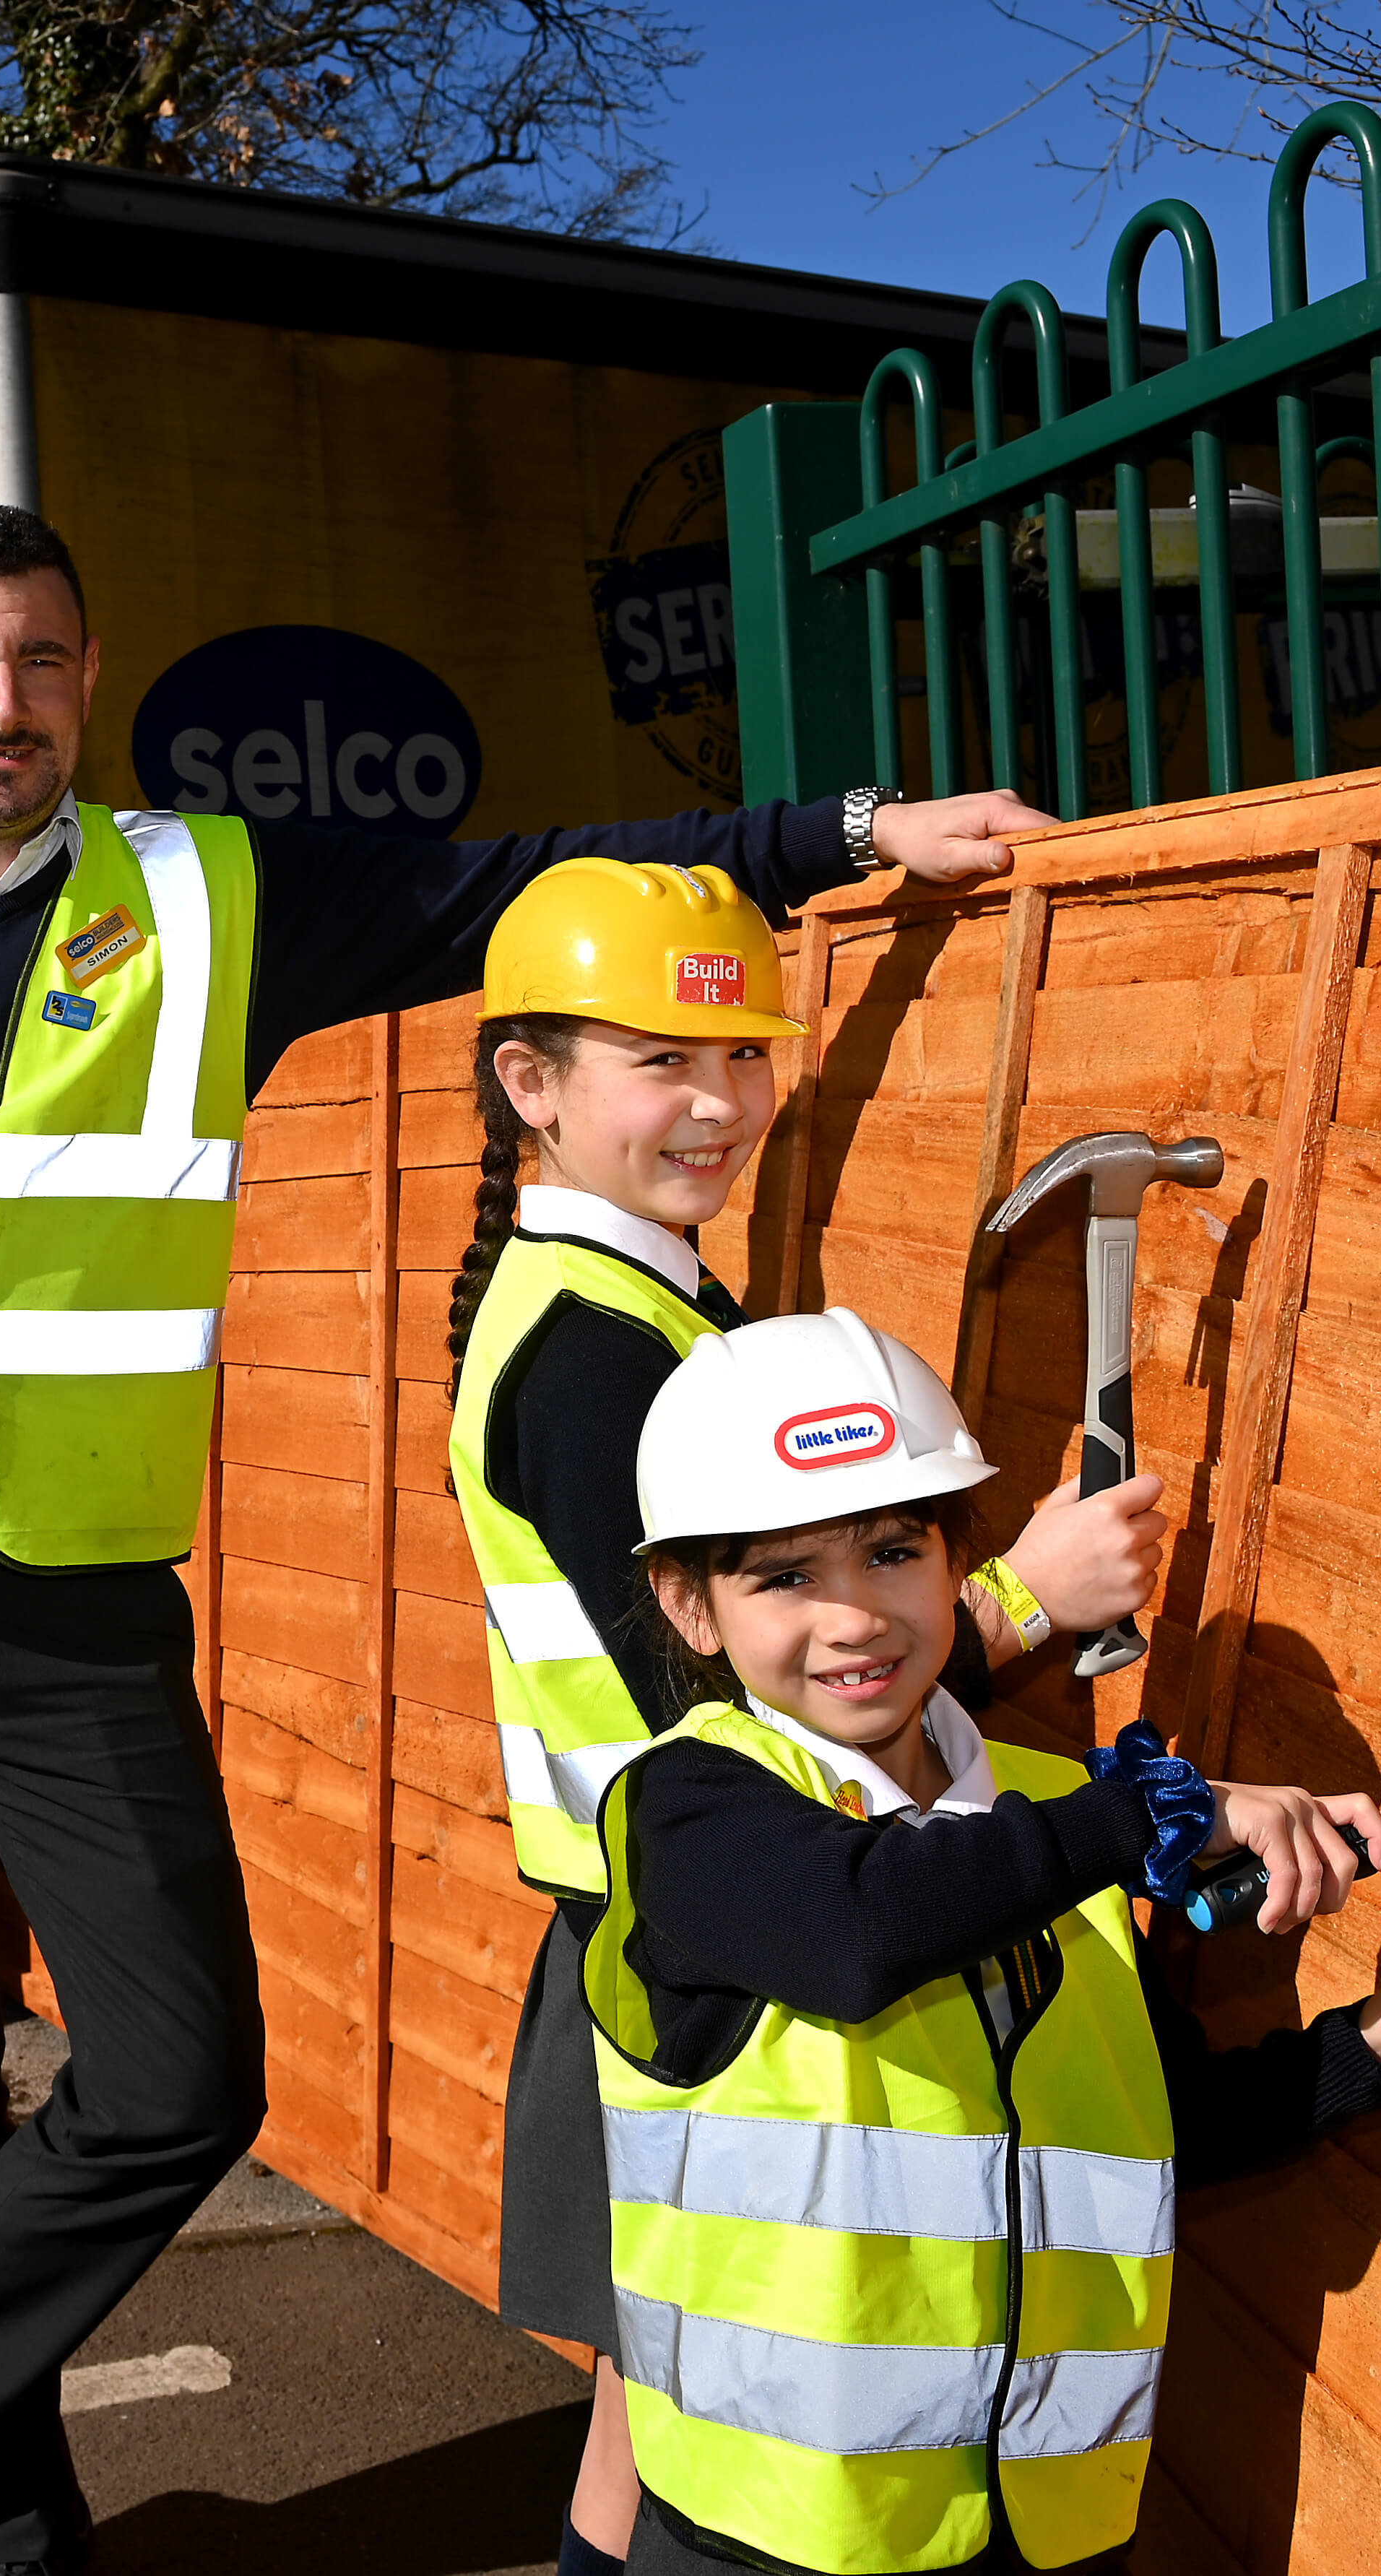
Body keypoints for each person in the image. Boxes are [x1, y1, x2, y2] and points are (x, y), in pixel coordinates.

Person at [0, 498, 1048, 2576]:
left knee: (176, 2079)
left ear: (86, 680)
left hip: (69, 1613)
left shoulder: (203, 896)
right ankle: (15, 2524)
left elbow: (527, 893)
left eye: (41, 661)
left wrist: (842, 828)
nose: (5, 702)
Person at [440, 859, 1165, 2576]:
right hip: (712, 1928)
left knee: (647, 2415)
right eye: (659, 1064)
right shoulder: (595, 1353)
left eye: (745, 1058)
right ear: (529, 1085)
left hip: (680, 1915)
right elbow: (764, 1700)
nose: (717, 1104)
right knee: (678, 2427)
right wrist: (1016, 1598)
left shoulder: (638, 1306)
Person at [585, 1309, 1381, 2576]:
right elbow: (858, 1931)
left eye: (890, 1552)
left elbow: (1144, 2125)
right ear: (689, 1608)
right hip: (778, 2540)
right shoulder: (690, 1810)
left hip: (1045, 2530)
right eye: (783, 1576)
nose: (853, 1616)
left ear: (951, 1557)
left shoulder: (1037, 1812)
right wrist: (1140, 1810)